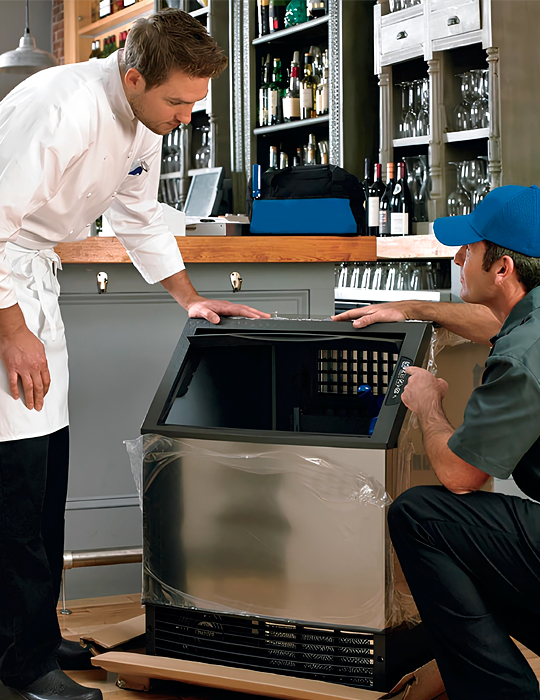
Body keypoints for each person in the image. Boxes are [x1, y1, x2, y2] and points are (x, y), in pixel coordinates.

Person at [0, 10, 269, 700]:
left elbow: (138, 216)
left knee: (47, 469)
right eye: (177, 101)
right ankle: (21, 663)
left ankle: (33, 634)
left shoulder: (143, 121)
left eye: (194, 103)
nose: (185, 117)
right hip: (4, 291)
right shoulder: (61, 107)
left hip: (32, 284)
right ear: (133, 77)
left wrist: (190, 299)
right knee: (17, 484)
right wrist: (11, 330)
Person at [336, 184, 540, 699]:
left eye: (468, 248)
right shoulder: (531, 319)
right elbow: (495, 323)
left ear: (502, 268)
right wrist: (413, 308)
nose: (457, 258)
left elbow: (461, 475)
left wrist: (428, 403)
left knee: (421, 516)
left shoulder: (521, 357)